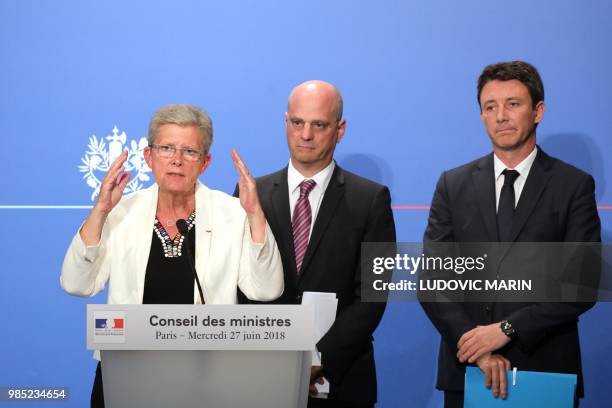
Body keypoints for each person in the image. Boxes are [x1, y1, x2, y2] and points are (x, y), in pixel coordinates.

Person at [61, 104, 284, 407]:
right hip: (127, 373)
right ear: (148, 157)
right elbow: (77, 284)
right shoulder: (121, 213)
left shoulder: (232, 213)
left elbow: (266, 289)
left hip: (207, 377)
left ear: (204, 163)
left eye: (189, 152)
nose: (177, 160)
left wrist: (255, 213)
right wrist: (100, 211)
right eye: (166, 148)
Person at [420, 61, 601, 407]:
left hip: (544, 371)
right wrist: (477, 347)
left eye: (513, 104)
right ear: (482, 116)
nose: (501, 115)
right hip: (468, 370)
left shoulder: (573, 186)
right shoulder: (452, 184)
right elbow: (432, 281)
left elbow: (582, 286)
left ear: (538, 111)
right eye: (491, 107)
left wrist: (504, 330)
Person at [238, 80, 396, 407]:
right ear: (286, 122)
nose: (305, 135)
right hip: (262, 378)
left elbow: (371, 296)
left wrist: (316, 359)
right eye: (297, 123)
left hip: (341, 380)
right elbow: (237, 287)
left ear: (340, 130)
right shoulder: (252, 194)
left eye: (319, 125)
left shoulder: (371, 200)